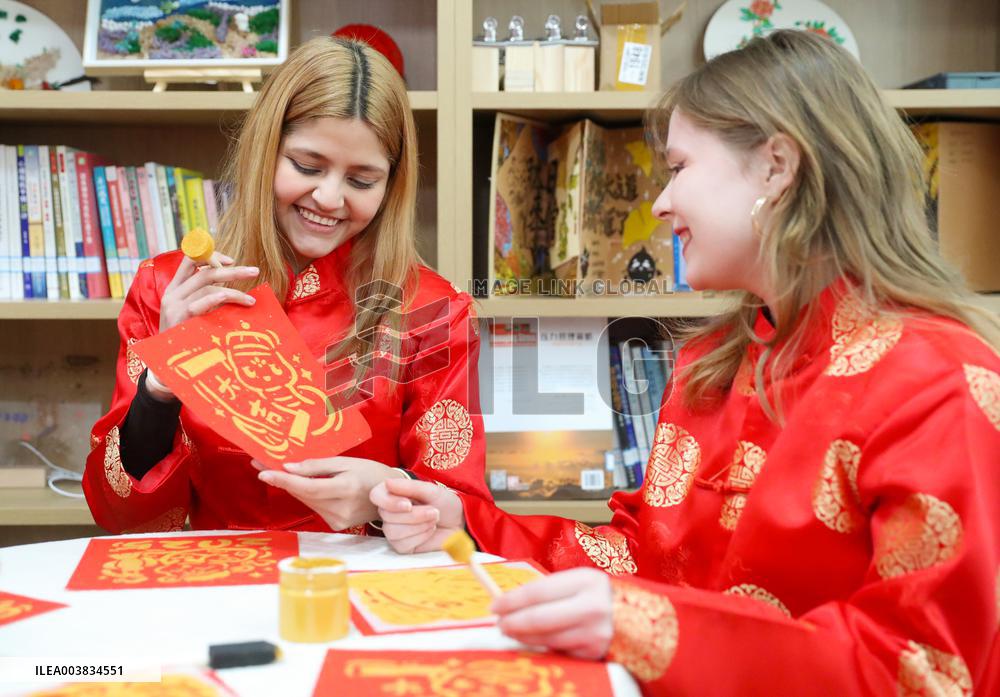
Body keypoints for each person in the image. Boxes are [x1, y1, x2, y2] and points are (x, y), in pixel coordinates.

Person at [370, 30, 1000, 695]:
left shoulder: (941, 382)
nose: (661, 203)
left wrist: (645, 625)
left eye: (678, 167)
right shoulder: (715, 363)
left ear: (776, 167)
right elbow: (638, 560)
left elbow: (918, 671)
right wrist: (465, 520)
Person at [84, 37, 489, 535]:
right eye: (307, 166)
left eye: (362, 181)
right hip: (217, 579)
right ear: (265, 150)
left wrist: (381, 495)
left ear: (392, 185)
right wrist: (159, 389)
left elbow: (461, 514)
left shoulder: (432, 309)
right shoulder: (171, 286)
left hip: (363, 588)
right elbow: (121, 515)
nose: (329, 197)